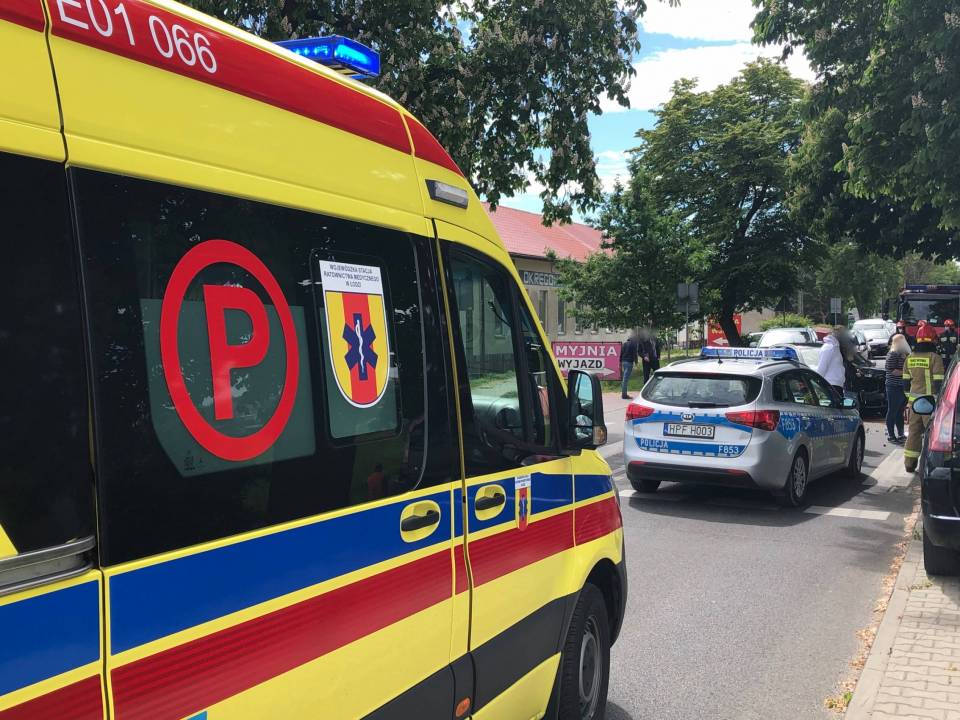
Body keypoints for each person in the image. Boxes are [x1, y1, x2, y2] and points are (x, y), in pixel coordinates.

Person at [903, 322, 945, 472]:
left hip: (914, 403)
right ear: (932, 340)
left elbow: (905, 382)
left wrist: (909, 399)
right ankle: (930, 464)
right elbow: (939, 382)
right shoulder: (935, 358)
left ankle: (909, 463)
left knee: (913, 433)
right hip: (929, 403)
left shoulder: (909, 358)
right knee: (932, 434)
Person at [884, 334, 910, 444]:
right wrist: (907, 372)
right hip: (893, 386)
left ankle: (900, 434)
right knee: (892, 411)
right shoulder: (893, 354)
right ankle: (891, 435)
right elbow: (892, 371)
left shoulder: (906, 354)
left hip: (902, 386)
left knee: (900, 411)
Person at [816, 327, 847, 397]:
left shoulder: (836, 347)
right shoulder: (829, 347)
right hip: (830, 384)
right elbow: (822, 367)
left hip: (836, 385)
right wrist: (817, 383)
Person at [619, 332, 639, 399]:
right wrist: (636, 363)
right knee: (625, 379)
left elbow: (621, 353)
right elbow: (635, 354)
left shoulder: (624, 344)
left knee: (625, 378)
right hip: (629, 362)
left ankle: (624, 393)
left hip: (624, 362)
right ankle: (624, 395)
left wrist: (620, 362)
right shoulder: (633, 344)